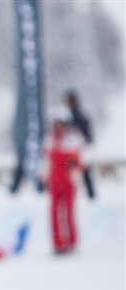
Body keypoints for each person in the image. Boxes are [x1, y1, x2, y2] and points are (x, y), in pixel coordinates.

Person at [44, 110, 85, 256]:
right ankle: (58, 244)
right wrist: (44, 179)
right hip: (54, 183)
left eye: (61, 124)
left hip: (68, 183)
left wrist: (74, 164)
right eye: (56, 124)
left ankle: (71, 242)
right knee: (54, 213)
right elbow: (45, 162)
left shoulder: (73, 140)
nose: (58, 127)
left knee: (68, 213)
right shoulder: (49, 140)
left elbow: (80, 165)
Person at [64, 90, 96, 200]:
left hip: (77, 149)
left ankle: (88, 195)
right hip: (76, 149)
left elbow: (86, 134)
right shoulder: (70, 116)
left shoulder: (73, 117)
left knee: (80, 172)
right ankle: (89, 194)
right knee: (82, 172)